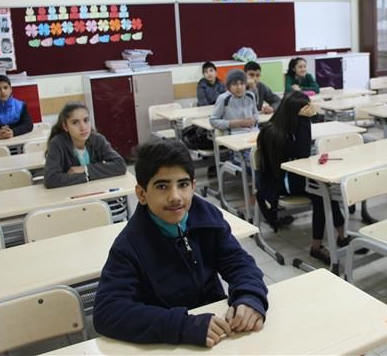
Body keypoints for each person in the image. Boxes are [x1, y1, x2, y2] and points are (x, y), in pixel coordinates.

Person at [93, 139, 268, 348]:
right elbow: (107, 311)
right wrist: (182, 325)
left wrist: (249, 296)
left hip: (217, 330)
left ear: (193, 186)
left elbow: (239, 263)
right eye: (162, 186)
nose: (175, 197)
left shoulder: (207, 217)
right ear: (142, 194)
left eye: (183, 185)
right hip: (167, 342)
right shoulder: (129, 245)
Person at [256, 91, 353, 264]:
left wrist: (305, 120)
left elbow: (301, 156)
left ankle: (341, 235)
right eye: (306, 108)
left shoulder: (291, 124)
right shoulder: (272, 131)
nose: (310, 110)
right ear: (295, 111)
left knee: (326, 190)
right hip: (280, 181)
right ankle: (318, 246)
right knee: (321, 193)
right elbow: (302, 153)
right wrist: (304, 120)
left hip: (295, 175)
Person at [43, 102, 126, 188]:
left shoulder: (97, 139)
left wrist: (85, 169)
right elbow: (50, 179)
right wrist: (86, 176)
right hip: (71, 193)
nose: (83, 127)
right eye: (75, 122)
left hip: (98, 191)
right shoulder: (57, 144)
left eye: (86, 120)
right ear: (65, 127)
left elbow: (120, 165)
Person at [210, 69, 258, 135]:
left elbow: (256, 114)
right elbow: (213, 121)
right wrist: (231, 123)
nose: (239, 87)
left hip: (251, 132)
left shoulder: (251, 96)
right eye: (235, 84)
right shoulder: (223, 98)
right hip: (232, 134)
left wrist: (254, 120)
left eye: (242, 84)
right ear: (229, 86)